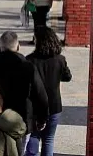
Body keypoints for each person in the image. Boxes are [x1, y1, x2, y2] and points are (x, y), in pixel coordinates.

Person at [0, 32, 49, 155]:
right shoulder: (28, 67)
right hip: (20, 119)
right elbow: (40, 94)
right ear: (18, 47)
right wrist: (41, 119)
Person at [25, 27, 72, 156]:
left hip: (35, 106)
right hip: (54, 105)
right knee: (49, 139)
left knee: (34, 137)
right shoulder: (60, 59)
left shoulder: (30, 60)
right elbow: (67, 77)